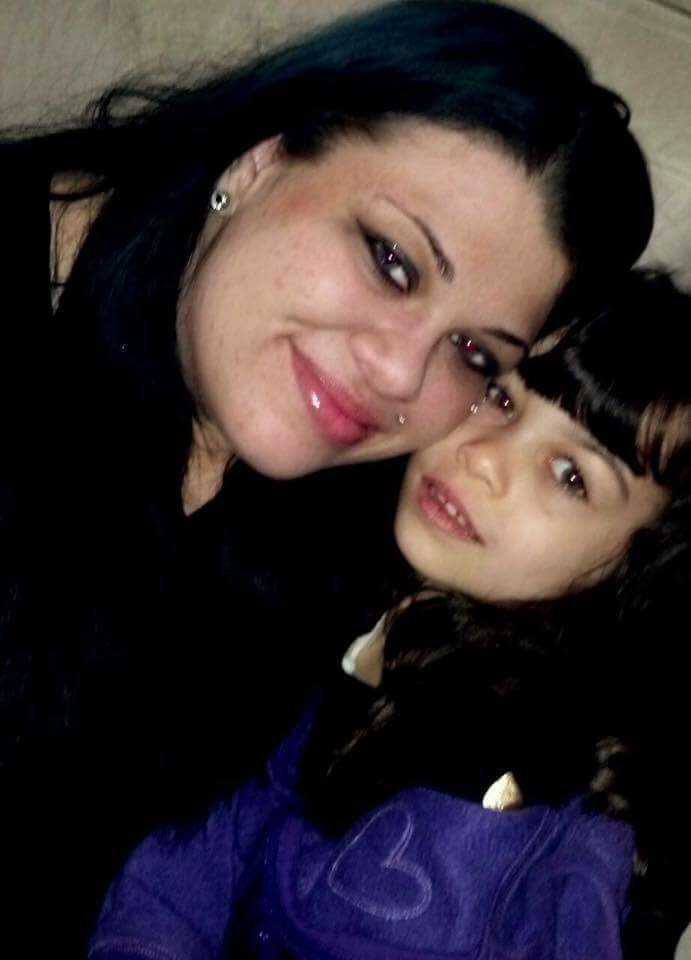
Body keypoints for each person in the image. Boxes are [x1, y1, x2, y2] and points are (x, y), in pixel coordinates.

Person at [0, 0, 654, 952]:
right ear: (261, 159)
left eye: (474, 354)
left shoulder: (371, 521)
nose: (399, 373)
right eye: (391, 260)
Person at [89, 269, 691, 960]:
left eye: (570, 476)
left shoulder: (546, 809)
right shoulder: (332, 588)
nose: (483, 457)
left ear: (642, 567)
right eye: (500, 397)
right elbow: (197, 845)